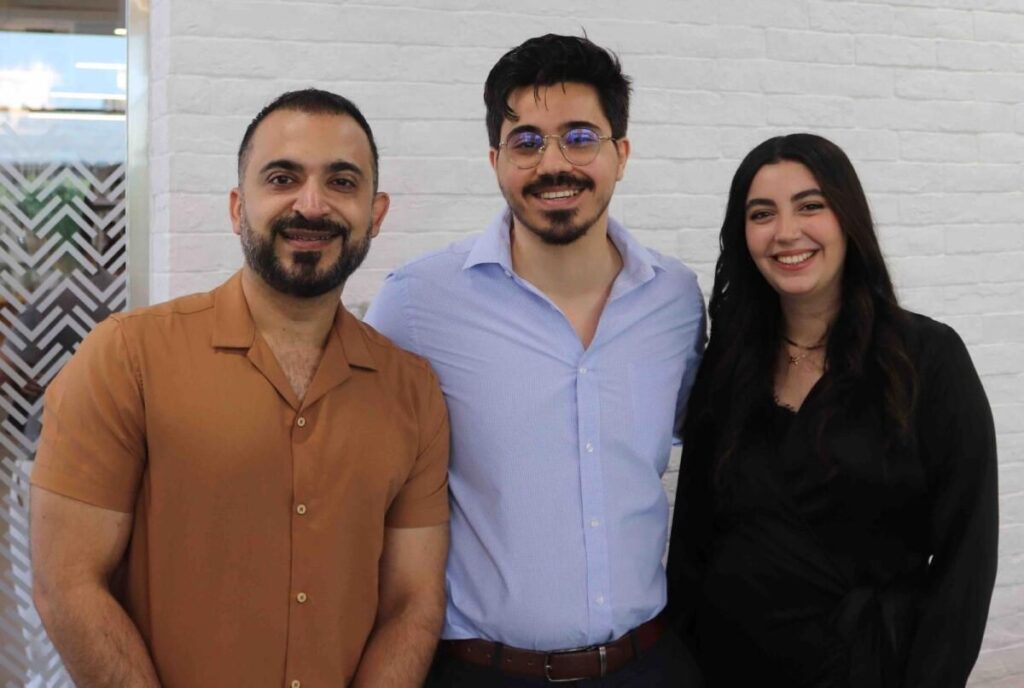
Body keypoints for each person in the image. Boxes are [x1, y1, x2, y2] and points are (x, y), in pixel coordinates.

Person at [29, 88, 450, 688]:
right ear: (236, 207)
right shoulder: (127, 357)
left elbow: (413, 603)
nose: (312, 205)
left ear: (375, 214)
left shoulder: (412, 389)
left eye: (341, 182)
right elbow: (66, 583)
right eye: (282, 178)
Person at [365, 34, 706, 686]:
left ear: (621, 154)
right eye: (526, 142)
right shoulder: (418, 302)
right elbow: (361, 475)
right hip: (484, 670)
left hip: (646, 664)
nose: (554, 163)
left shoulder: (676, 300)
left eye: (580, 137)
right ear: (496, 161)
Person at [665, 133, 998, 688]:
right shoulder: (729, 362)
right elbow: (693, 540)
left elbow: (968, 554)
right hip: (728, 667)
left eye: (810, 206)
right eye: (762, 213)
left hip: (871, 671)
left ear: (848, 218)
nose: (785, 232)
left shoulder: (928, 358)